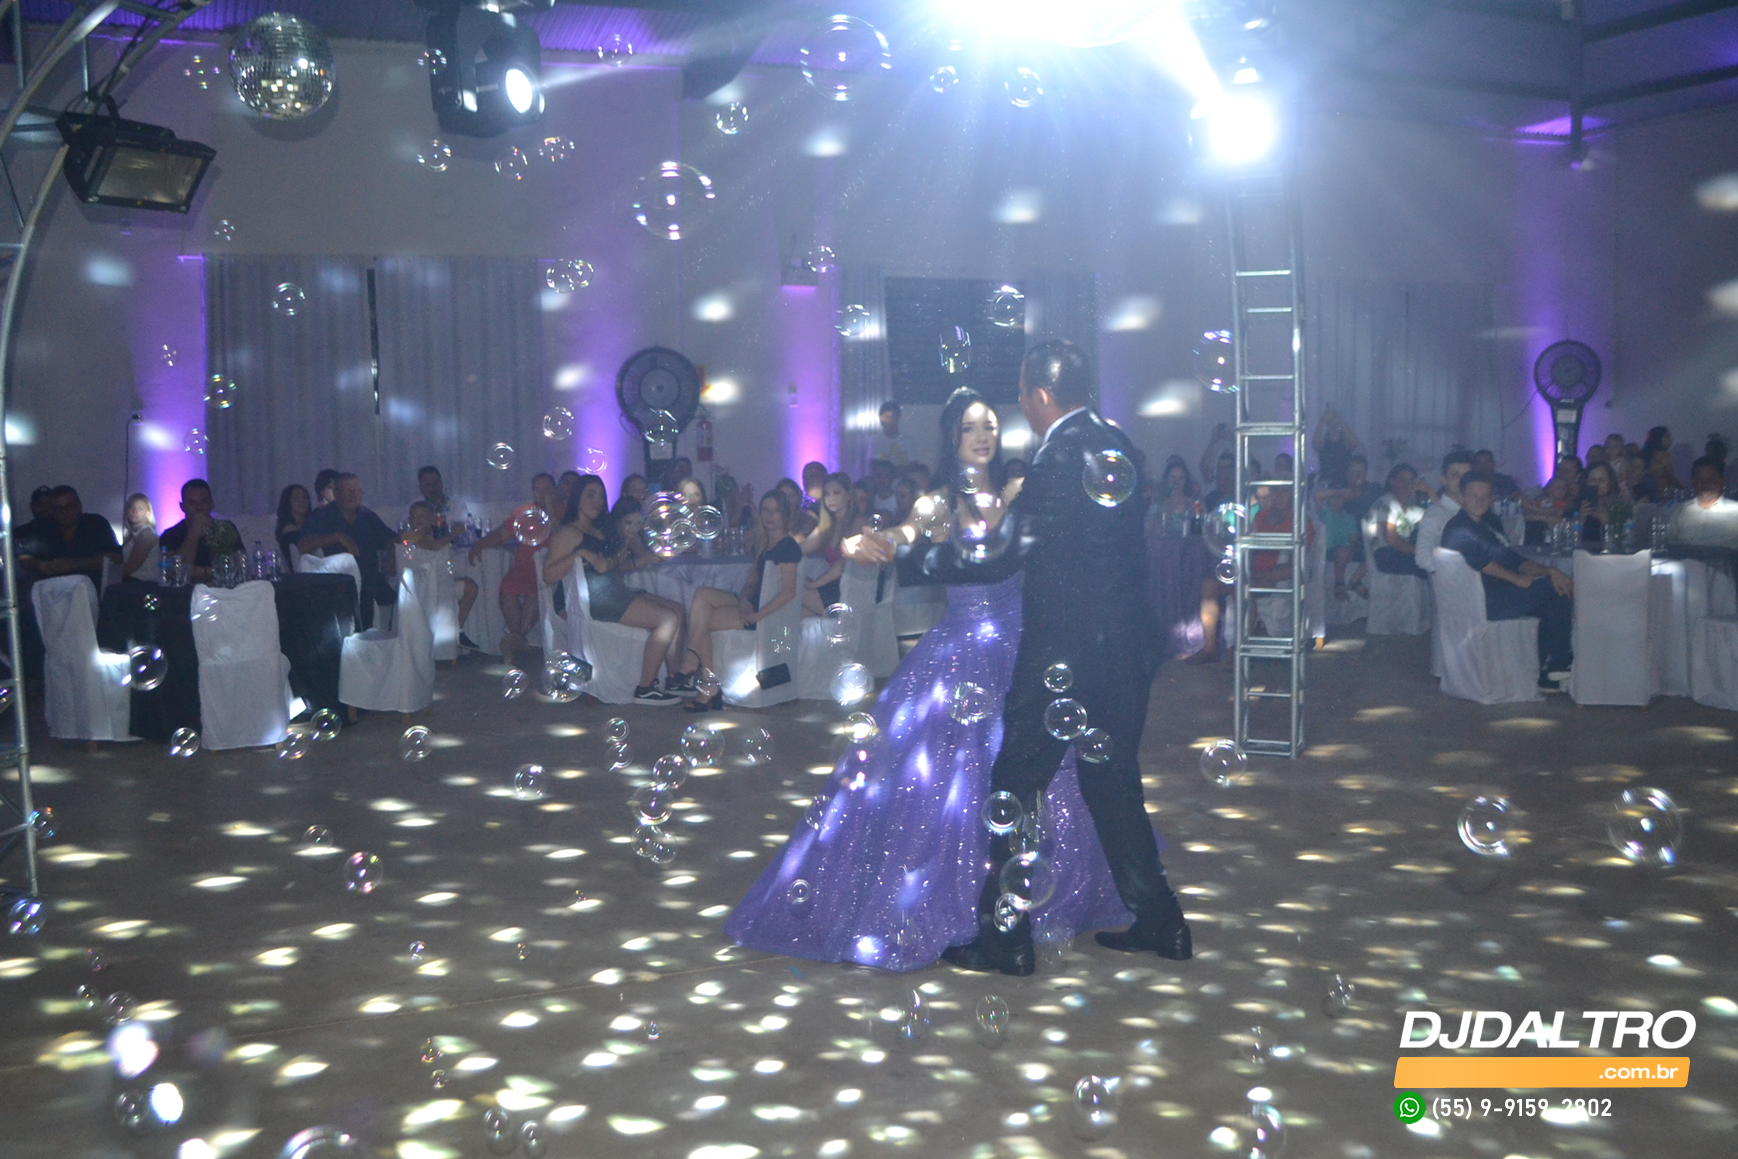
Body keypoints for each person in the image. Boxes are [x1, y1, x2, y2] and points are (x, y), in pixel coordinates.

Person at [726, 384, 1133, 972]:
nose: (983, 436)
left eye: (990, 425)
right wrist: (873, 541)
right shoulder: (937, 503)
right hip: (962, 650)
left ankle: (1034, 898)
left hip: (1025, 644)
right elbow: (905, 536)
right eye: (970, 427)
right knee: (947, 781)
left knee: (1039, 776)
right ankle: (968, 906)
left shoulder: (1020, 492)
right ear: (952, 437)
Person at [858, 342, 1187, 974]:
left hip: (1065, 656)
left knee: (1012, 784)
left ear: (1039, 396)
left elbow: (998, 556)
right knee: (1113, 783)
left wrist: (905, 555)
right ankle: (1163, 921)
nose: (1018, 406)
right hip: (1124, 652)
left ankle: (1005, 940)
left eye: (1020, 393)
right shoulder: (1114, 442)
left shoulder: (1058, 458)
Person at [543, 476, 686, 705]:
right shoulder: (569, 532)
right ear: (577, 498)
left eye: (601, 496)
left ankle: (674, 678)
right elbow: (548, 575)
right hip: (596, 597)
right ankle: (645, 687)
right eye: (590, 495)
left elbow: (611, 565)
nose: (597, 501)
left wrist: (628, 549)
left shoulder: (597, 529)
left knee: (677, 609)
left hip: (612, 589)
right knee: (667, 619)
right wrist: (579, 554)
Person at [1442, 472, 1574, 692]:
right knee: (1556, 588)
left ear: (1491, 499)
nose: (1479, 500)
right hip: (1480, 603)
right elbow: (1484, 563)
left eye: (1485, 496)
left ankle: (1548, 668)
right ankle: (1557, 663)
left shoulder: (1480, 525)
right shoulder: (1460, 528)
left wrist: (1549, 571)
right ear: (1462, 497)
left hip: (1485, 597)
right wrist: (1518, 580)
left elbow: (1510, 559)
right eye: (1473, 495)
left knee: (1554, 594)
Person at [675, 490, 803, 714]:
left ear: (784, 514)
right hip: (752, 603)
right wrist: (743, 601)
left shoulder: (788, 546)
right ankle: (697, 663)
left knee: (700, 620)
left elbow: (788, 592)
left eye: (775, 511)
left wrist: (756, 615)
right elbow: (751, 582)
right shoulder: (764, 543)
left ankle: (704, 679)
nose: (769, 515)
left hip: (766, 613)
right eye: (765, 510)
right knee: (702, 596)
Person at [468, 473, 558, 664]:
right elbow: (502, 534)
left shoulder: (562, 511)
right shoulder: (525, 512)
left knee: (536, 593)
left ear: (554, 490)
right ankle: (517, 639)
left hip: (547, 570)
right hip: (522, 569)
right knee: (507, 590)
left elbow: (559, 532)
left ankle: (514, 639)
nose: (542, 493)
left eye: (547, 489)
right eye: (538, 490)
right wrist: (480, 544)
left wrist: (550, 507)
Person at [300, 473, 398, 630]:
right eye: (349, 491)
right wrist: (336, 537)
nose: (355, 495)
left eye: (357, 491)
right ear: (337, 493)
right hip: (339, 585)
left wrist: (392, 554)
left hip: (371, 580)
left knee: (405, 596)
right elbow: (303, 546)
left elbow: (391, 538)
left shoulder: (366, 516)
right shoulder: (322, 516)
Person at [15, 485, 119, 586]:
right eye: (59, 508)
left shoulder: (96, 524)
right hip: (52, 591)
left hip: (91, 590)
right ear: (52, 510)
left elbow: (115, 558)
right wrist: (40, 565)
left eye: (69, 506)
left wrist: (75, 564)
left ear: (79, 506)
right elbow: (24, 557)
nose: (65, 511)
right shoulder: (45, 528)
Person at [402, 500, 480, 631]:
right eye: (415, 516)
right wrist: (453, 534)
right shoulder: (408, 537)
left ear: (432, 520)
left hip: (438, 582)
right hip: (422, 587)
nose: (419, 519)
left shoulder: (433, 536)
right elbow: (434, 547)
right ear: (409, 520)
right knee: (466, 588)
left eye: (423, 516)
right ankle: (451, 631)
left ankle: (456, 629)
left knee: (471, 587)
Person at [158, 479, 240, 585]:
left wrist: (199, 572)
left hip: (223, 589)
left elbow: (239, 565)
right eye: (192, 503)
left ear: (211, 504)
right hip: (186, 592)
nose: (199, 507)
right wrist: (194, 533)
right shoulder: (170, 535)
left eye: (204, 502)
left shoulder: (225, 528)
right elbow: (176, 572)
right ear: (183, 507)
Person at [799, 471, 857, 616]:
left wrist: (814, 584)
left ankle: (837, 620)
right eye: (826, 494)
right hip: (831, 586)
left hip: (851, 589)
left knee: (795, 589)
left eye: (836, 493)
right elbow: (799, 550)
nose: (830, 499)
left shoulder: (857, 522)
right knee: (798, 613)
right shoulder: (826, 527)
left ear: (848, 495)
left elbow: (844, 564)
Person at [1415, 452, 1475, 573]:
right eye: (1456, 476)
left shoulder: (1475, 509)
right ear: (1444, 480)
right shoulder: (1436, 513)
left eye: (1466, 476)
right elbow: (1422, 557)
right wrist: (1451, 574)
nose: (1462, 481)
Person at [1370, 463, 1432, 578]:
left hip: (1401, 553)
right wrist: (1420, 551)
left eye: (1410, 481)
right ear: (1392, 481)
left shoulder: (1409, 509)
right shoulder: (1385, 503)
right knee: (1429, 565)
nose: (1407, 485)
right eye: (1402, 480)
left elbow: (1440, 514)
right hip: (1386, 556)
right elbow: (1391, 539)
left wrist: (1428, 490)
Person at [1667, 457, 1738, 548]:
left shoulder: (1736, 512)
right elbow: (1669, 544)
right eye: (1699, 479)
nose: (1705, 484)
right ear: (1693, 482)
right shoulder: (1679, 511)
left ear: (1722, 482)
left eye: (1711, 479)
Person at [119, 493, 160, 581]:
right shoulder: (130, 534)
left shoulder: (147, 534)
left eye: (140, 509)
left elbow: (132, 566)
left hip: (142, 583)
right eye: (131, 507)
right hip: (133, 581)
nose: (135, 511)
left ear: (148, 513)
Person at [1577, 461, 1621, 543]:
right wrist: (1580, 520)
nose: (1597, 484)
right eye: (1593, 480)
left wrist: (1606, 521)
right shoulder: (1578, 504)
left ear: (1610, 482)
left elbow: (1623, 536)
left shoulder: (1619, 506)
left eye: (1601, 480)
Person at [870, 400, 918, 468]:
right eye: (887, 417)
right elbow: (872, 465)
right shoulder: (874, 441)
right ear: (881, 418)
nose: (890, 420)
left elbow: (913, 465)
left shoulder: (907, 442)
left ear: (898, 417)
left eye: (893, 416)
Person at [275, 484, 311, 562]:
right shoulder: (289, 530)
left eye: (304, 497)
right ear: (287, 502)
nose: (301, 501)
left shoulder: (311, 524)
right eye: (296, 498)